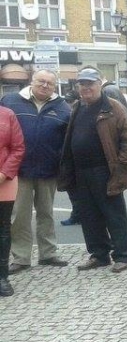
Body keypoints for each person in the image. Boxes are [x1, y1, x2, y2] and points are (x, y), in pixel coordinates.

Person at [57, 67, 127, 273]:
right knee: (89, 216)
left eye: (90, 84)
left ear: (99, 84)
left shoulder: (113, 107)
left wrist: (121, 166)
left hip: (106, 170)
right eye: (82, 84)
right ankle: (99, 255)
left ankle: (122, 255)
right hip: (81, 172)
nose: (86, 88)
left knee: (114, 215)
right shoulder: (77, 107)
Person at [0, 70, 72, 274]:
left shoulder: (62, 107)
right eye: (41, 81)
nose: (45, 85)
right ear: (32, 81)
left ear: (54, 86)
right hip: (19, 170)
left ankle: (48, 254)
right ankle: (21, 257)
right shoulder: (11, 101)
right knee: (19, 216)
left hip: (48, 169)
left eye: (50, 83)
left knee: (46, 213)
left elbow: (67, 140)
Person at [0, 104, 25, 296]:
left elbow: (18, 148)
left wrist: (4, 173)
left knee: (2, 230)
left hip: (3, 180)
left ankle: (2, 276)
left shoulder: (7, 115)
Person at [59, 90, 81, 227]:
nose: (69, 104)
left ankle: (79, 215)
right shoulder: (67, 113)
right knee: (71, 188)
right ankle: (77, 214)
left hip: (78, 158)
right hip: (67, 157)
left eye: (71, 101)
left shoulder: (80, 113)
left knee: (77, 189)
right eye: (67, 101)